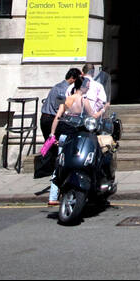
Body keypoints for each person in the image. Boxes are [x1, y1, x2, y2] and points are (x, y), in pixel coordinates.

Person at [46, 74, 96, 207]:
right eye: (88, 87)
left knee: (60, 164)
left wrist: (52, 135)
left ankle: (53, 196)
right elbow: (93, 117)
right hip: (76, 137)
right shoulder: (83, 101)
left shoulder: (68, 99)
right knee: (78, 162)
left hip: (63, 136)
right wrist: (103, 109)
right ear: (83, 87)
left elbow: (57, 117)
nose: (88, 89)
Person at [41, 68, 82, 144]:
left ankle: (45, 155)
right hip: (51, 119)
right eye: (78, 79)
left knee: (49, 146)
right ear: (73, 79)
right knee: (53, 147)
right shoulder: (64, 90)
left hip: (44, 118)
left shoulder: (57, 86)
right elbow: (60, 109)